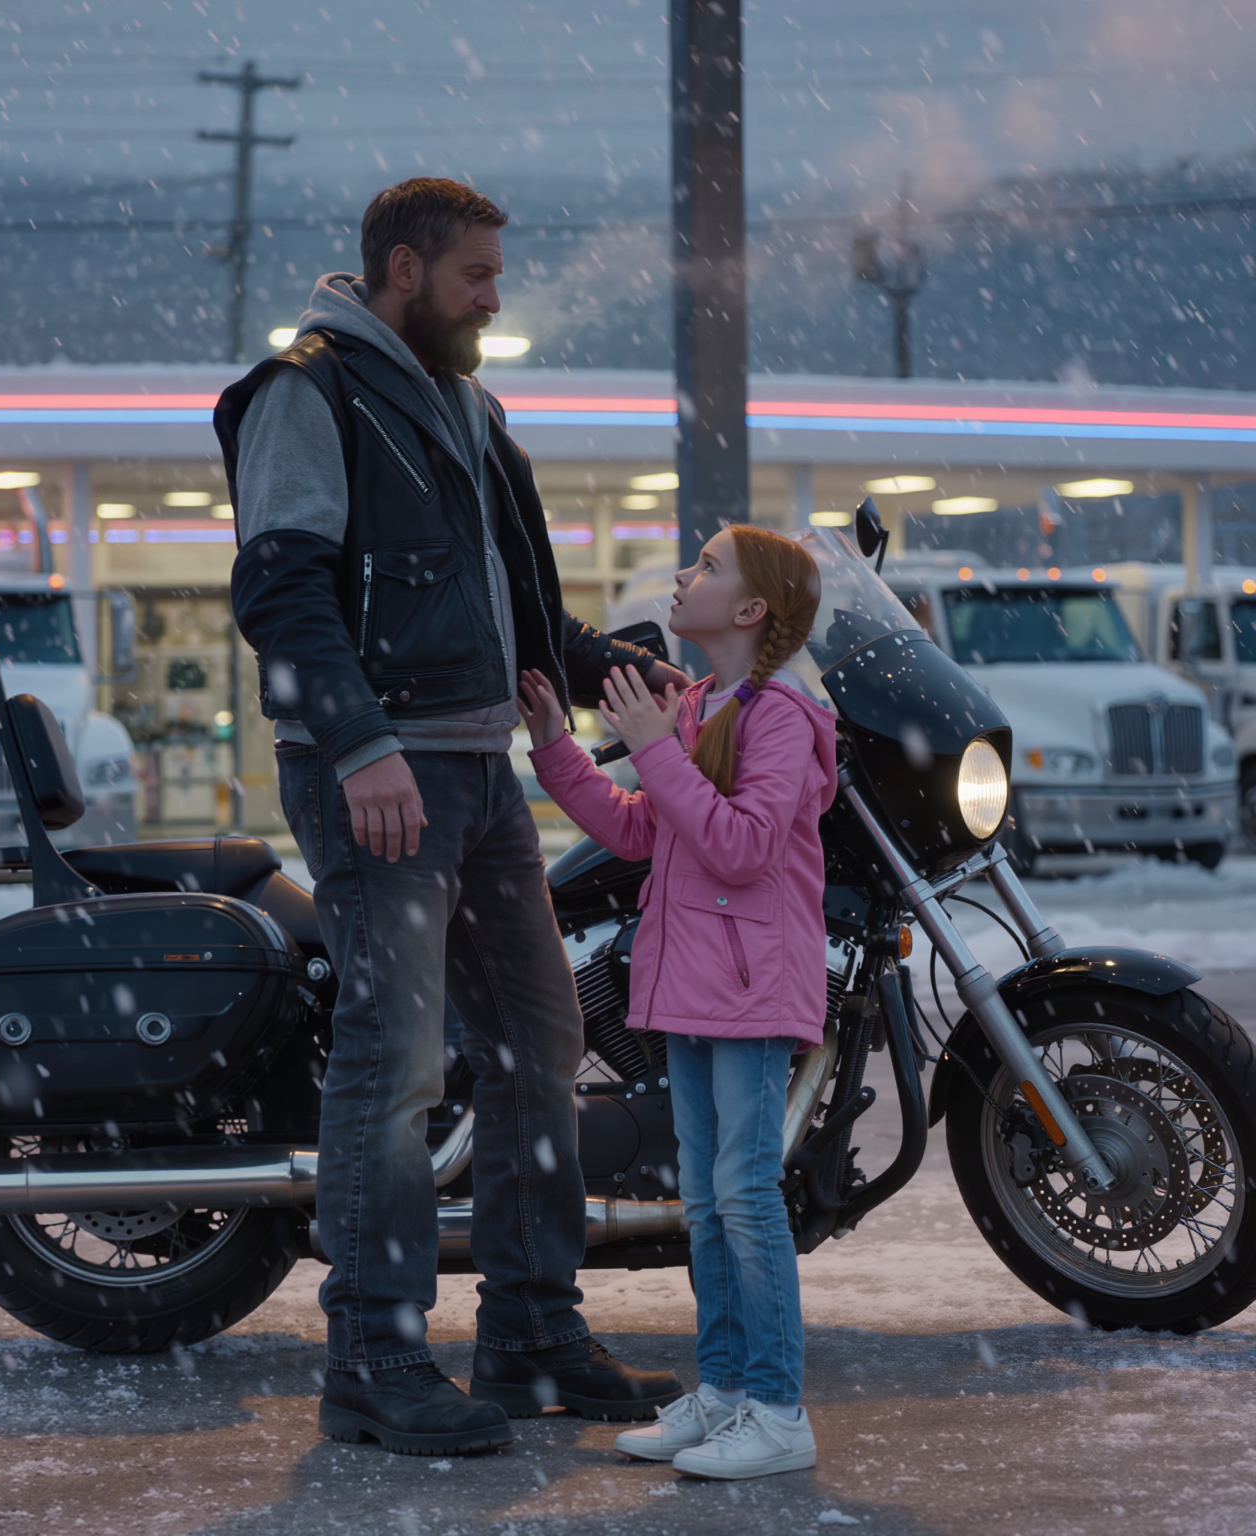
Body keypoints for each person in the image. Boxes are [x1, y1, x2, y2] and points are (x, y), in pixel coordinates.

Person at [213, 177, 689, 1457]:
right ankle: (373, 1355)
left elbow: (514, 608)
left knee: (540, 1044)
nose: (494, 298)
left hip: (478, 774)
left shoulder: (465, 405)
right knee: (395, 1067)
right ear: (404, 268)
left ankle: (532, 1337)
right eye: (477, 276)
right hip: (381, 777)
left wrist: (629, 677)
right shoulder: (310, 393)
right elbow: (279, 588)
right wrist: (361, 741)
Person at [518, 524, 837, 1481]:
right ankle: (731, 1393)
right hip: (696, 986)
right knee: (704, 1202)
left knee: (743, 1197)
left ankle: (779, 1409)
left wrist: (655, 747)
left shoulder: (783, 715)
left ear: (751, 611)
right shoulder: (697, 704)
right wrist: (556, 749)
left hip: (749, 987)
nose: (683, 575)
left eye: (707, 566)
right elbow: (641, 831)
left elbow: (739, 845)